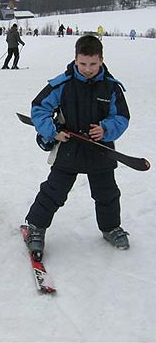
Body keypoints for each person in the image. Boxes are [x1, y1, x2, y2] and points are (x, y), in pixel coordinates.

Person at [24, 35, 131, 261]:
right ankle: (36, 226)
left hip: (100, 150)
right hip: (69, 148)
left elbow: (121, 117)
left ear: (101, 60)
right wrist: (52, 130)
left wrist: (105, 129)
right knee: (54, 191)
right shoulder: (62, 84)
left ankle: (110, 228)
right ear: (75, 60)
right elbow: (39, 109)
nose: (87, 69)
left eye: (93, 64)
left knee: (107, 193)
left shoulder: (111, 87)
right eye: (82, 64)